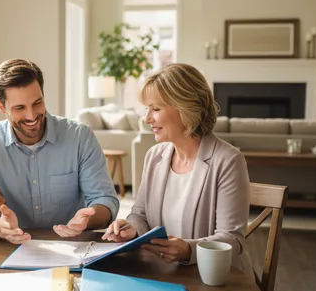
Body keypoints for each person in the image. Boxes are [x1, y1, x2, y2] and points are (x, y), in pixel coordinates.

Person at [102, 63, 252, 273]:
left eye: (156, 109)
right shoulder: (154, 156)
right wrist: (131, 229)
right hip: (160, 273)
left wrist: (188, 250)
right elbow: (140, 215)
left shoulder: (228, 160)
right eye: (147, 109)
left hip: (213, 279)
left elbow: (232, 239)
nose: (147, 119)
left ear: (185, 108)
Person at [0, 58, 119, 244]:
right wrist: (1, 228)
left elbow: (104, 199)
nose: (31, 116)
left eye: (37, 103)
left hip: (74, 246)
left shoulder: (80, 137)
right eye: (20, 108)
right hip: (10, 248)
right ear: (0, 106)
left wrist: (87, 219)